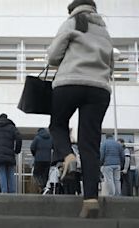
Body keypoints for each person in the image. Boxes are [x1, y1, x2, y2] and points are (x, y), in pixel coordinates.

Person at [47, 0, 114, 218]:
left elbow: (53, 56)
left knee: (57, 125)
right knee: (90, 145)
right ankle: (91, 200)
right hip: (99, 89)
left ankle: (67, 157)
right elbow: (111, 62)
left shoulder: (72, 22)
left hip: (70, 83)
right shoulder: (103, 29)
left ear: (72, 9)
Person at [0, 113, 22, 193]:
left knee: (2, 174)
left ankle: (4, 193)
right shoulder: (12, 128)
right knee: (11, 174)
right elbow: (19, 138)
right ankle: (12, 194)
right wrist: (17, 150)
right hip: (10, 155)